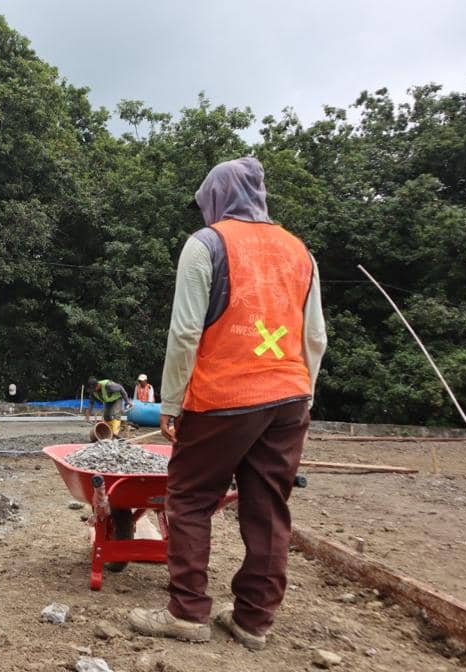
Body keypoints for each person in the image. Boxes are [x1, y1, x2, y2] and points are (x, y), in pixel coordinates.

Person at [127, 157, 327, 651]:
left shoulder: (207, 244)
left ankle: (188, 612)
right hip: (289, 396)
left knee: (191, 498)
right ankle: (254, 620)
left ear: (216, 198)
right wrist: (304, 395)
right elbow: (315, 336)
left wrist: (171, 401)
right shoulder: (299, 251)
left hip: (223, 395)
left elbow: (186, 330)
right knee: (267, 507)